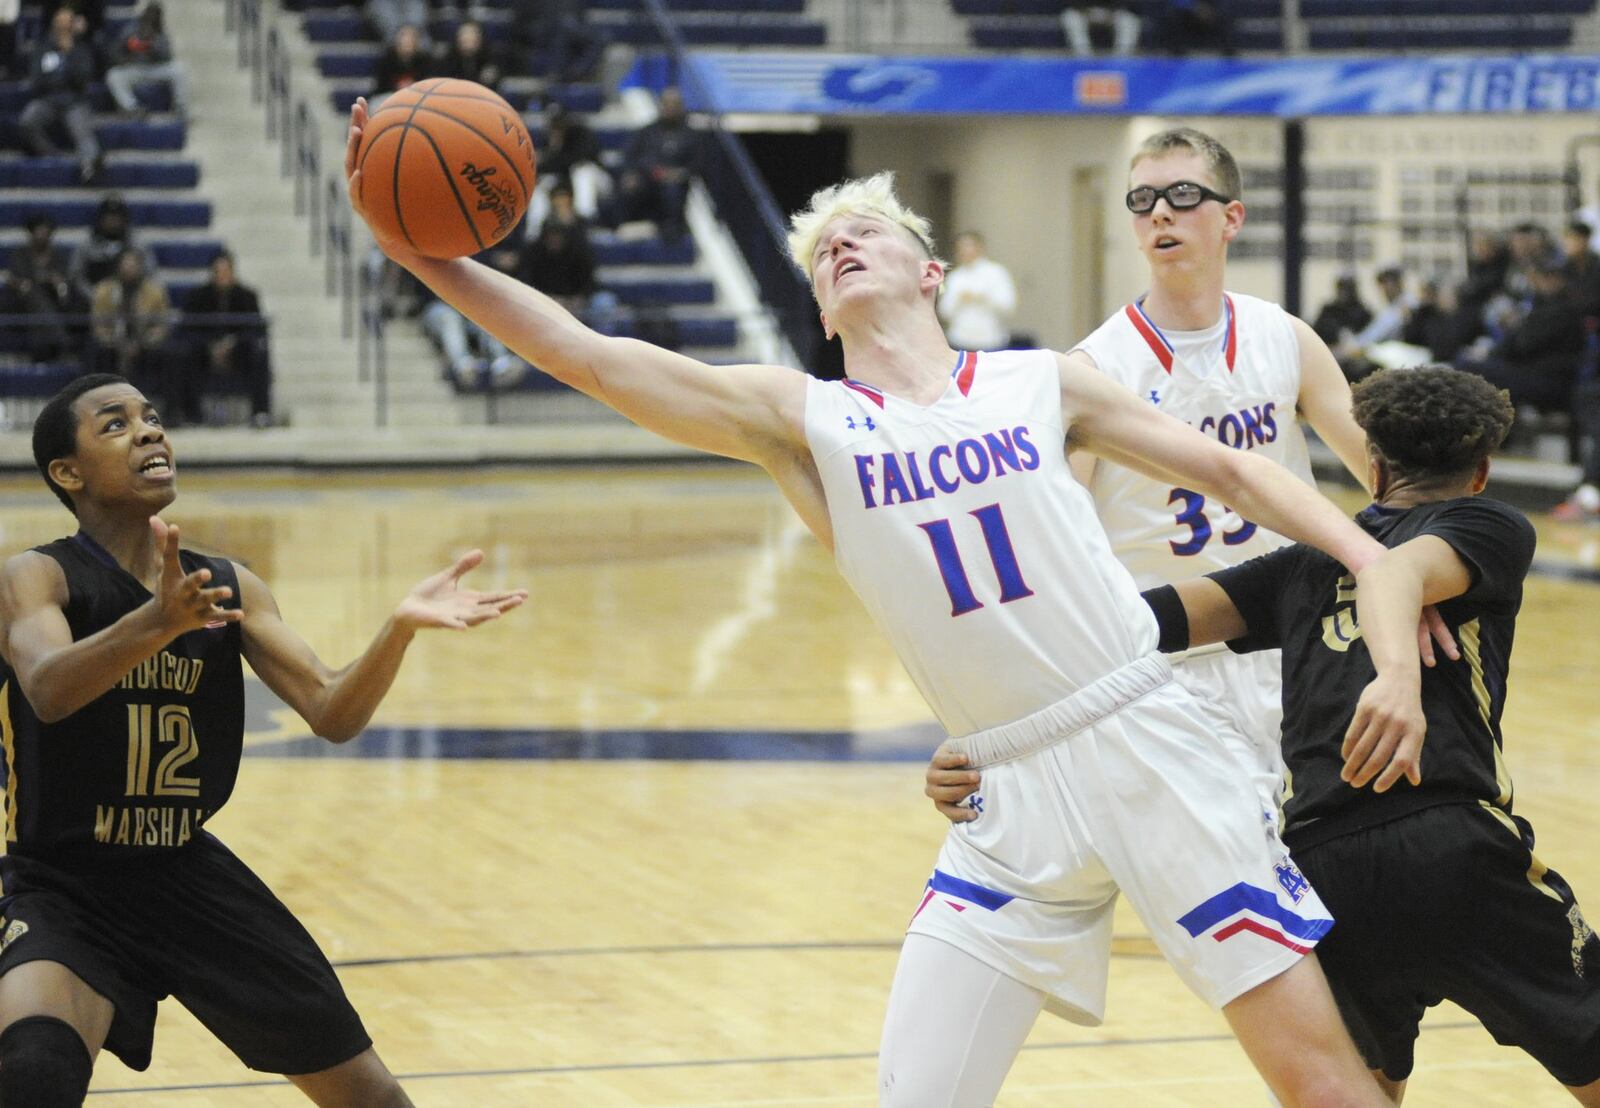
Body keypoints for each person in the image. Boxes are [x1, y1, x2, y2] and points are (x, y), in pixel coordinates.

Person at [347, 96, 1404, 1107]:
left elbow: (1235, 473)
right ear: (818, 305)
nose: (841, 247)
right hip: (1003, 779)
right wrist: (412, 248)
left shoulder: (1041, 381)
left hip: (1147, 733)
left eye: (865, 232)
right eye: (822, 252)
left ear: (929, 269)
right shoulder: (804, 423)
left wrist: (1371, 556)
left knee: (1318, 1085)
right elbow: (585, 355)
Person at [930, 367, 1600, 1103]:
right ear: (1481, 472)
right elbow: (1392, 574)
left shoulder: (1302, 568)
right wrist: (1398, 679)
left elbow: (1122, 629)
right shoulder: (1491, 526)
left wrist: (982, 725)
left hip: (1323, 866)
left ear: (1372, 469)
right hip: (1450, 839)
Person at [0, 374, 525, 1106]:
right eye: (116, 425)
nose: (150, 431)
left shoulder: (225, 585)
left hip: (185, 873)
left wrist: (396, 629)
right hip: (66, 879)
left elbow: (331, 710)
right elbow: (50, 690)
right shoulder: (38, 576)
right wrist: (157, 623)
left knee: (373, 1098)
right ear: (68, 472)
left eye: (153, 417)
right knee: (32, 1070)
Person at [1065, 126, 1372, 815]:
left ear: (1232, 216)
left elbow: (1380, 474)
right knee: (1231, 877)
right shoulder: (1095, 369)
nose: (1160, 214)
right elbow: (1059, 533)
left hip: (1295, 642)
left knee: (1321, 861)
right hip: (1171, 656)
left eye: (1182, 194)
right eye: (1142, 200)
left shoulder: (1285, 338)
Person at [1460, 262, 1584, 414]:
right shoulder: (1545, 305)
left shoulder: (1561, 309)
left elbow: (1524, 342)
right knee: (1471, 365)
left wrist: (1514, 326)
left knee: (1469, 369)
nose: (1538, 284)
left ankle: (1495, 432)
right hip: (1535, 372)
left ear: (1558, 279)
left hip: (1549, 380)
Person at [180, 250, 273, 427]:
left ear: (233, 272)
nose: (222, 276)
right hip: (205, 351)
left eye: (226, 271)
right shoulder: (198, 296)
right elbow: (189, 327)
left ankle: (260, 412)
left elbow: (255, 329)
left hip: (238, 350)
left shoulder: (247, 296)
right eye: (218, 272)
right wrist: (211, 346)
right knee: (183, 353)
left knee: (259, 354)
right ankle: (191, 415)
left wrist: (231, 344)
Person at [18, 6, 102, 184]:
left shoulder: (80, 48)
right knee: (27, 120)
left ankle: (90, 167)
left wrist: (68, 55)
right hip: (47, 99)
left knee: (83, 131)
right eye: (60, 22)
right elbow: (37, 79)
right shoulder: (43, 48)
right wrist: (60, 81)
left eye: (67, 22)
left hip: (74, 101)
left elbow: (83, 77)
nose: (63, 26)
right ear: (54, 24)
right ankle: (51, 154)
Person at [613, 86, 702, 244]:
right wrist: (631, 172)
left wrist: (679, 173)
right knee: (630, 185)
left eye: (674, 105)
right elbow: (629, 156)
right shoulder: (647, 131)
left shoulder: (691, 135)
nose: (670, 108)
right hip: (647, 177)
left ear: (681, 107)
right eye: (667, 104)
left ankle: (671, 231)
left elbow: (697, 164)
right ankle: (625, 223)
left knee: (672, 189)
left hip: (673, 182)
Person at [90, 247, 174, 409]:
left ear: (140, 267)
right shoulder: (104, 290)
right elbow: (98, 324)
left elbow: (162, 325)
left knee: (169, 354)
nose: (129, 269)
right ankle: (97, 408)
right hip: (112, 344)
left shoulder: (154, 292)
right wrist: (116, 343)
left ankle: (166, 410)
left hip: (145, 344)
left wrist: (142, 343)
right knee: (95, 352)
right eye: (125, 265)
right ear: (118, 267)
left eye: (133, 265)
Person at [4, 211, 88, 361]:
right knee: (32, 294)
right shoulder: (20, 255)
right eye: (39, 230)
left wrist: (57, 283)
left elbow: (64, 282)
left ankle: (45, 347)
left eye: (45, 230)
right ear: (31, 232)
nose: (42, 234)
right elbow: (16, 279)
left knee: (42, 304)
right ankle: (62, 340)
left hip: (54, 303)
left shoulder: (58, 256)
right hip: (23, 303)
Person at [104, 1, 189, 119]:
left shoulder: (160, 33)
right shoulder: (131, 29)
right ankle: (132, 108)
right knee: (113, 75)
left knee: (179, 69)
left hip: (155, 70)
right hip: (135, 69)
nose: (151, 18)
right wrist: (127, 52)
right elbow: (115, 51)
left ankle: (180, 108)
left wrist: (152, 47)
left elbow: (168, 56)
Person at [936, 230, 1016, 352]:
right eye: (962, 247)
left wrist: (983, 298)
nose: (966, 250)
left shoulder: (996, 273)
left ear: (980, 247)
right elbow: (944, 311)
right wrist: (959, 299)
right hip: (960, 340)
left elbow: (1008, 305)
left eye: (970, 246)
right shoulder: (955, 277)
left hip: (990, 341)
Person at [430, 18, 500, 88]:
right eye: (464, 34)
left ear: (480, 38)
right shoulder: (446, 58)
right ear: (457, 37)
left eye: (473, 33)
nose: (468, 37)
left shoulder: (489, 58)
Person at [1312, 274, 1373, 350]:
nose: (1344, 292)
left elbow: (1369, 339)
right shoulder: (1329, 311)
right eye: (1341, 288)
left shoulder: (1363, 313)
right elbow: (1315, 334)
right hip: (1329, 350)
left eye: (1348, 288)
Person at [1060, 1, 1141, 56]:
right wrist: (1084, 12)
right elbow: (1070, 3)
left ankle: (1122, 58)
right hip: (1083, 13)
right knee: (1070, 18)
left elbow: (1124, 3)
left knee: (1129, 21)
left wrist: (1112, 13)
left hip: (1112, 13)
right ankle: (1083, 57)